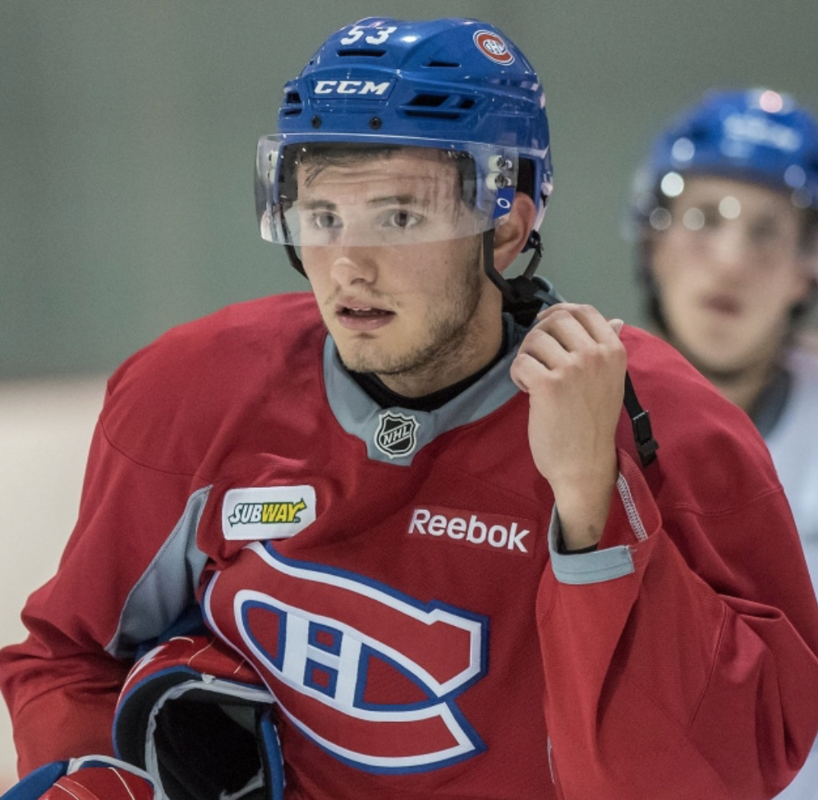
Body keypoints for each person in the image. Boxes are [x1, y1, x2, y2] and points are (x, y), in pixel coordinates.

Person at [2, 18, 818, 800]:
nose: (349, 265)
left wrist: (589, 502)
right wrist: (100, 773)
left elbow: (712, 777)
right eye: (323, 216)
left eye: (399, 216)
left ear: (506, 228)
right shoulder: (192, 392)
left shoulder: (674, 426)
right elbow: (71, 656)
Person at [628, 86, 818, 800]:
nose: (731, 260)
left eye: (767, 230)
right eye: (703, 219)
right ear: (652, 238)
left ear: (810, 264)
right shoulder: (564, 401)